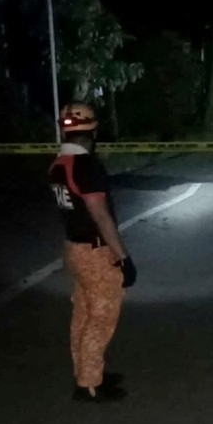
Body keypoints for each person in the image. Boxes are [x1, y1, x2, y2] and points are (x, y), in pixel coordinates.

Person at [48, 102, 137, 402]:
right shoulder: (87, 167)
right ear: (93, 131)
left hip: (74, 249)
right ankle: (89, 385)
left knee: (83, 315)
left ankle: (86, 372)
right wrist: (123, 257)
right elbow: (100, 216)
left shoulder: (59, 164)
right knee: (100, 319)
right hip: (95, 253)